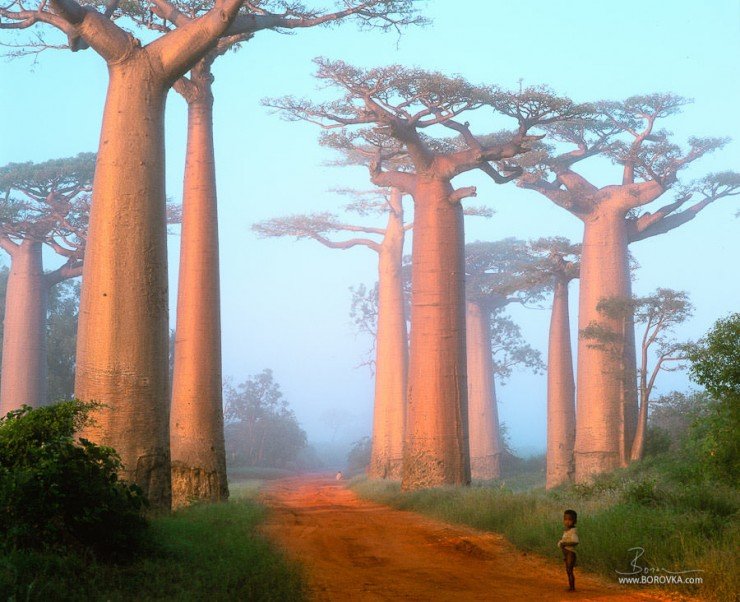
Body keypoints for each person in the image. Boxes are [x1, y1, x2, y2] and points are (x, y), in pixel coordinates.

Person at [558, 509, 579, 591]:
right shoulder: (567, 530)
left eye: (570, 520)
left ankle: (572, 587)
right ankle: (571, 586)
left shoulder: (573, 531)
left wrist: (564, 544)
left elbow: (575, 542)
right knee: (568, 571)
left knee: (569, 571)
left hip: (570, 553)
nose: (567, 522)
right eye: (565, 519)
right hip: (566, 554)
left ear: (575, 521)